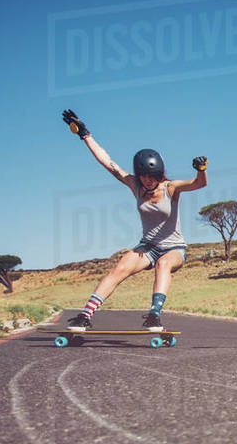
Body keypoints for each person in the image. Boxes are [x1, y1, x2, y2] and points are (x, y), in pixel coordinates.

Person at [59, 109, 207, 332]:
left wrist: (202, 171)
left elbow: (199, 184)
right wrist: (85, 135)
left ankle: (154, 316)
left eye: (153, 177)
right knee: (119, 268)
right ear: (139, 176)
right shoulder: (134, 185)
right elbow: (108, 162)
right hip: (147, 247)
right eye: (144, 177)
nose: (148, 182)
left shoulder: (171, 188)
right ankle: (85, 316)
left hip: (174, 248)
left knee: (163, 264)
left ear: (160, 174)